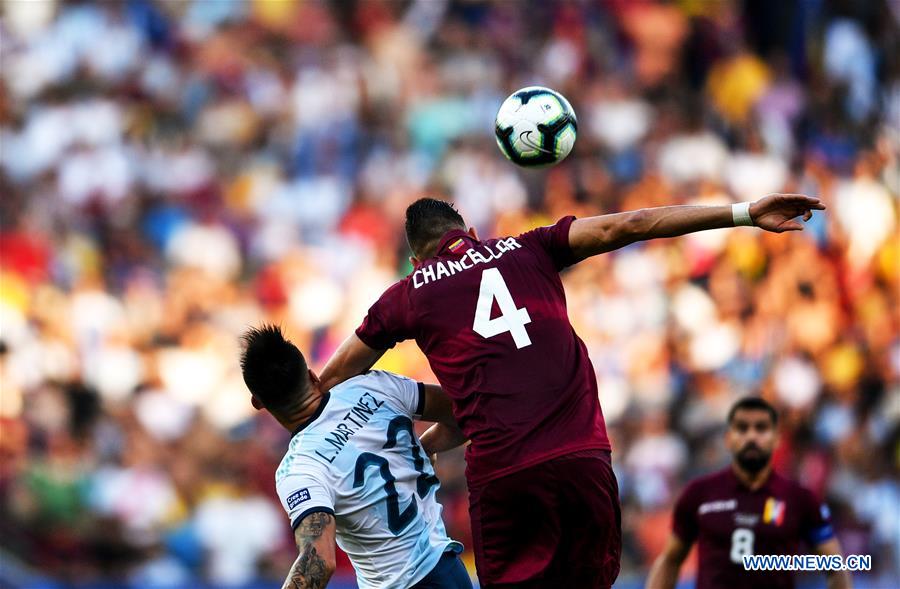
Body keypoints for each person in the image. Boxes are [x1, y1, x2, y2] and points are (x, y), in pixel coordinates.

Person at [319, 193, 826, 588]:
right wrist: (743, 213)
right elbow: (629, 225)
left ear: (415, 259)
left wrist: (296, 398)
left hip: (506, 478)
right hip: (582, 461)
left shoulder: (407, 296)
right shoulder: (528, 246)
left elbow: (336, 373)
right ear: (470, 233)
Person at [239, 325, 471, 589]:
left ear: (258, 403)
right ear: (312, 376)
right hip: (449, 570)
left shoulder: (299, 468)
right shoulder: (373, 386)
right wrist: (424, 446)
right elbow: (465, 412)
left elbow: (319, 561)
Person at [646, 397, 851, 589]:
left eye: (761, 429)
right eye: (742, 429)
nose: (751, 436)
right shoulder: (699, 493)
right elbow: (670, 561)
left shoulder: (800, 499)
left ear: (776, 439)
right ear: (728, 439)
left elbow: (835, 567)